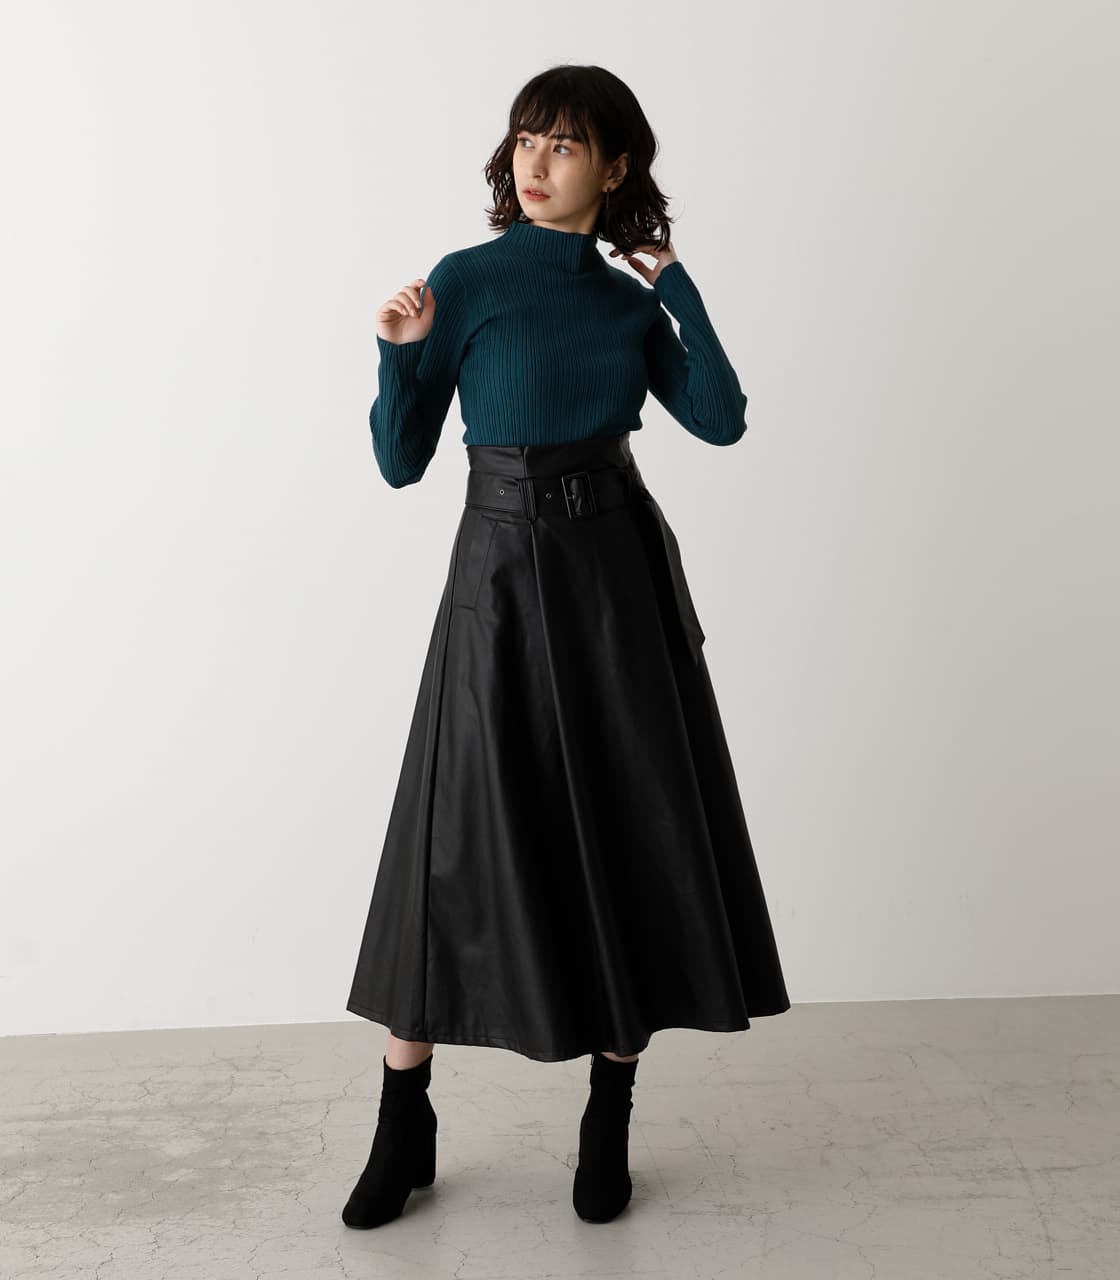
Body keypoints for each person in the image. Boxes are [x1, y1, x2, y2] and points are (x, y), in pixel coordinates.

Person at [341, 63, 790, 1230]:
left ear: (614, 166)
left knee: (627, 827)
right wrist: (399, 353)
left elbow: (722, 419)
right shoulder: (466, 281)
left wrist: (678, 287)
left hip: (612, 587)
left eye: (564, 145)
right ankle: (402, 1119)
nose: (535, 164)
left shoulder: (626, 303)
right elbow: (399, 461)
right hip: (494, 575)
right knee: (451, 836)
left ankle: (609, 1115)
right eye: (524, 141)